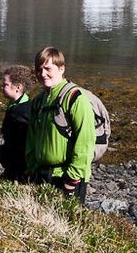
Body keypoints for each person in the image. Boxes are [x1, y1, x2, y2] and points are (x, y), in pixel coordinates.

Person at [25, 46, 95, 202]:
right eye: (39, 69)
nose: (43, 74)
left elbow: (86, 141)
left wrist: (71, 179)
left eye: (48, 68)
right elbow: (31, 138)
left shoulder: (76, 98)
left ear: (61, 68)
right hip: (42, 176)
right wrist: (32, 169)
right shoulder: (38, 101)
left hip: (67, 178)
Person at [0, 64, 34, 182]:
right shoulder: (15, 104)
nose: (2, 87)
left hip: (19, 164)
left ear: (18, 87)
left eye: (5, 84)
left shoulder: (22, 111)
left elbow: (20, 141)